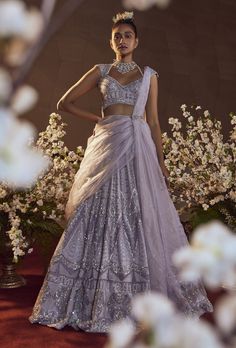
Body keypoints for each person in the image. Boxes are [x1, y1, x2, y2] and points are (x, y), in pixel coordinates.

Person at [29, 11, 213, 333]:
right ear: (110, 41)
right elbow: (64, 102)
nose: (122, 40)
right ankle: (90, 295)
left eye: (127, 35)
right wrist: (99, 120)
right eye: (117, 36)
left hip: (139, 147)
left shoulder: (149, 76)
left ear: (136, 41)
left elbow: (154, 122)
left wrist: (161, 160)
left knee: (140, 213)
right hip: (109, 144)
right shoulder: (100, 71)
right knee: (95, 211)